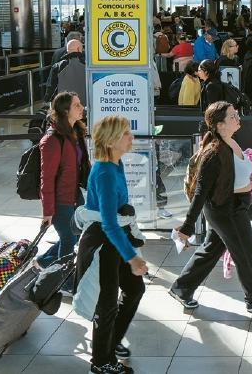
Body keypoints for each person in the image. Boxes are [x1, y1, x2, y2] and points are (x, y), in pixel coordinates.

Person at [169, 101, 252, 312]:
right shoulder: (213, 152)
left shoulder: (232, 141)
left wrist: (251, 179)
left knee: (211, 250)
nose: (237, 118)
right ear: (220, 124)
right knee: (246, 254)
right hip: (226, 211)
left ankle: (181, 288)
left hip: (235, 207)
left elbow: (235, 174)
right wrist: (187, 225)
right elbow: (201, 191)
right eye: (232, 116)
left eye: (236, 114)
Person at [75, 115, 148, 374]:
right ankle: (101, 362)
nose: (131, 138)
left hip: (114, 240)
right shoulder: (105, 172)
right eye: (126, 133)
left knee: (134, 289)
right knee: (106, 304)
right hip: (105, 244)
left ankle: (111, 342)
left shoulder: (116, 165)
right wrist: (132, 257)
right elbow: (108, 223)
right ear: (110, 141)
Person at [36, 91, 90, 295]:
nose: (81, 107)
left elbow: (83, 163)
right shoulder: (52, 140)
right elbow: (46, 177)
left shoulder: (75, 132)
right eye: (77, 105)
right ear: (65, 110)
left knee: (75, 236)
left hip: (74, 193)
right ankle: (63, 280)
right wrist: (47, 211)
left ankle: (44, 262)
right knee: (68, 238)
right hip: (60, 199)